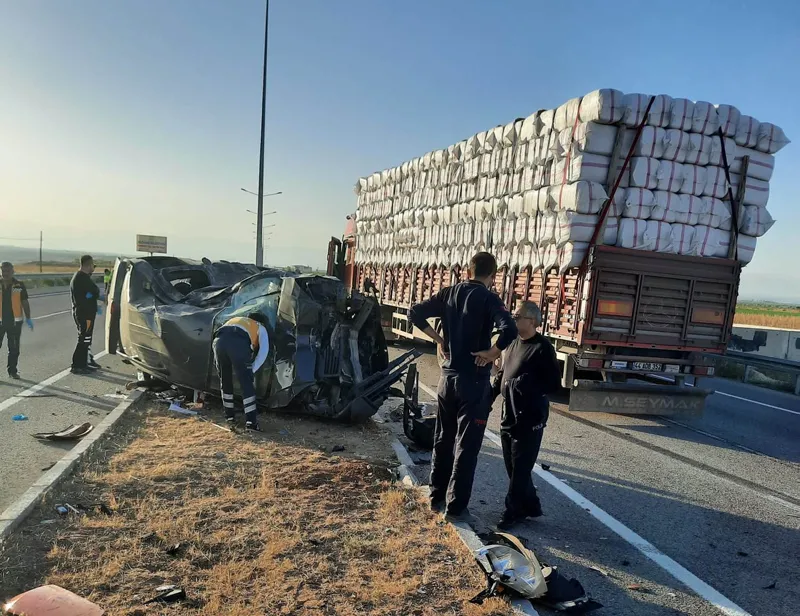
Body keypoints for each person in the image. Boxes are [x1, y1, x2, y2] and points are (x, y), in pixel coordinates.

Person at [409, 252, 517, 524]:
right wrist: (493, 352)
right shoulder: (489, 298)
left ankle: (436, 497)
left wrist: (439, 339)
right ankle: (456, 508)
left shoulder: (448, 293)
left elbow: (415, 312)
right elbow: (510, 329)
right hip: (474, 381)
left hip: (448, 379)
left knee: (443, 438)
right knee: (467, 446)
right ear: (492, 276)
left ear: (468, 270)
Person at [491, 301, 560, 530]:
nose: (513, 318)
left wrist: (525, 384)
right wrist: (486, 400)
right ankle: (531, 505)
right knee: (512, 467)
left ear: (532, 321)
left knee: (520, 468)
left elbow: (552, 384)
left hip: (529, 417)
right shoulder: (511, 343)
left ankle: (512, 512)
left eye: (517, 316)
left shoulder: (542, 348)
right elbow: (502, 374)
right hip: (508, 414)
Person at [212, 312, 270, 431]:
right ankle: (251, 423)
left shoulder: (236, 320)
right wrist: (252, 369)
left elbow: (221, 336)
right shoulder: (260, 326)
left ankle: (229, 417)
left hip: (218, 342)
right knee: (246, 384)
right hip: (238, 343)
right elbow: (264, 351)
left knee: (225, 380)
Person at [0, 262, 34, 379]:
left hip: (14, 323)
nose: (5, 273)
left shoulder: (19, 285)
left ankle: (12, 371)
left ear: (12, 271)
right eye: (3, 271)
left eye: (8, 271)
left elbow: (24, 302)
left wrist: (28, 318)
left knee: (14, 348)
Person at [70, 255, 102, 374]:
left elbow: (91, 293)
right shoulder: (82, 278)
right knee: (84, 339)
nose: (93, 268)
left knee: (86, 339)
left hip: (85, 312)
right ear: (88, 264)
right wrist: (94, 295)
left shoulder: (81, 277)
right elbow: (94, 291)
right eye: (92, 266)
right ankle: (77, 365)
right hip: (85, 314)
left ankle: (83, 364)